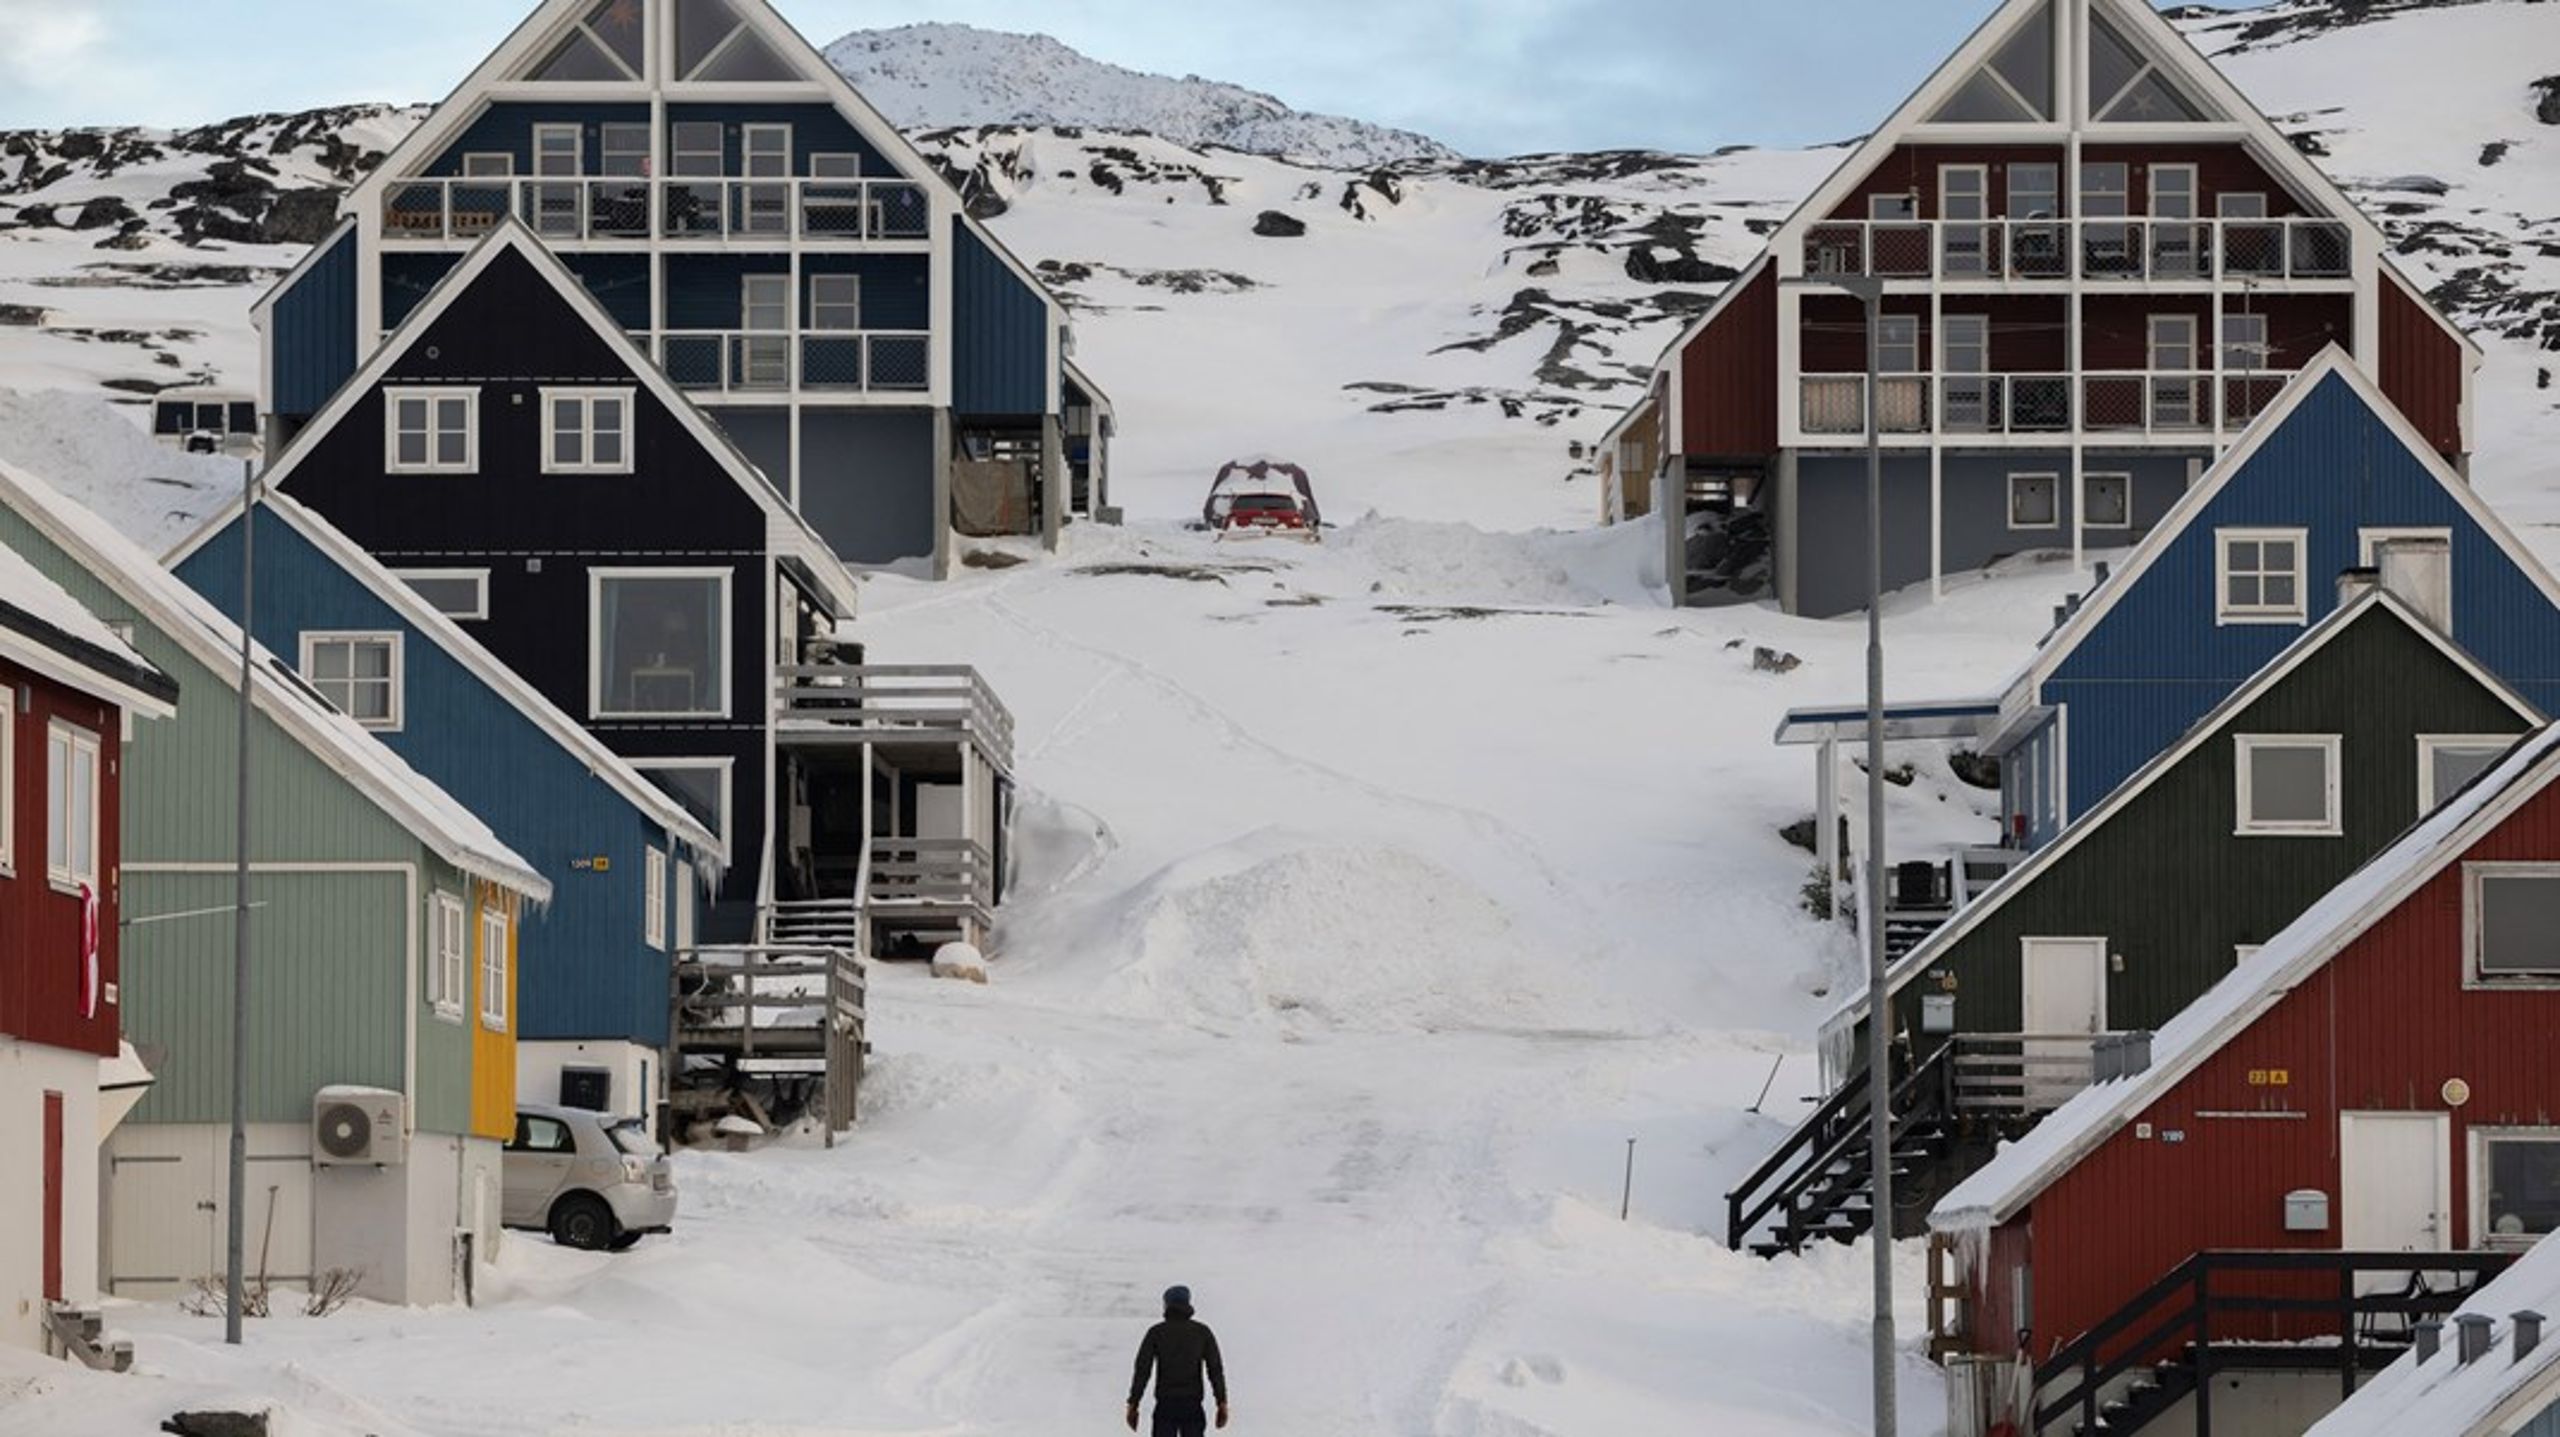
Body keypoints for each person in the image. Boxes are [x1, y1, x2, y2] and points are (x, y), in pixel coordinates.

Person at [1125, 1284, 1229, 1434]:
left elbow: (1142, 1370)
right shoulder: (1202, 1332)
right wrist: (1221, 1402)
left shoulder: (1156, 1333)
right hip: (1192, 1405)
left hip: (1165, 1406)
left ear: (1167, 1304)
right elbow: (1215, 1370)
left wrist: (1133, 1403)